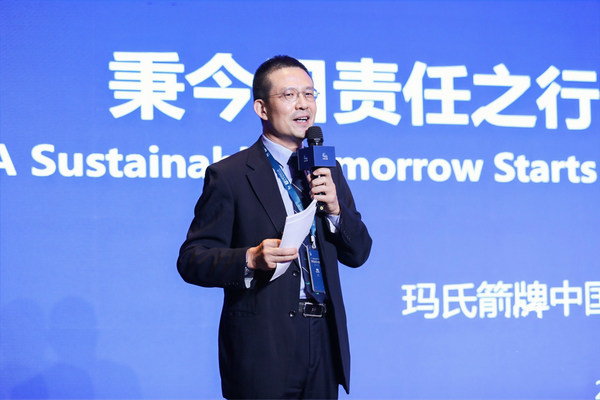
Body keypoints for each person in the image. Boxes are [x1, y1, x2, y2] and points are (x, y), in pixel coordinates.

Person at [177, 55, 372, 399]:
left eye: (309, 94)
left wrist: (336, 210)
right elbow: (192, 259)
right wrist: (249, 259)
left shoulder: (328, 170)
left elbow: (358, 253)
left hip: (323, 340)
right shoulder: (231, 175)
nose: (303, 105)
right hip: (263, 346)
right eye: (289, 95)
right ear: (262, 108)